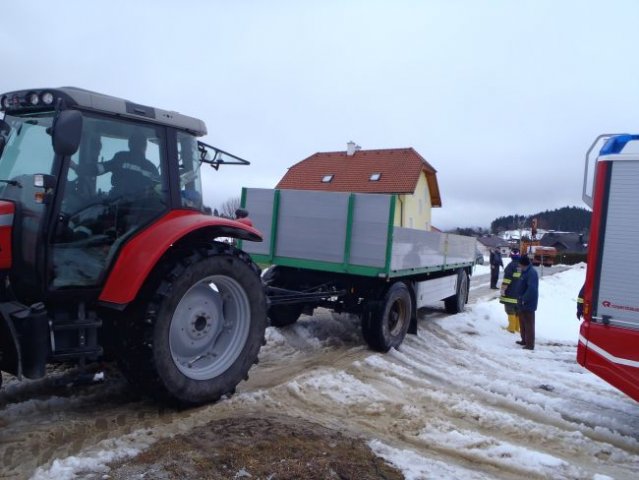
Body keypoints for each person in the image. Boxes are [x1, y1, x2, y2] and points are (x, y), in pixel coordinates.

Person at [517, 255, 539, 350]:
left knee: (529, 324)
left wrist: (524, 299)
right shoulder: (525, 271)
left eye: (520, 265)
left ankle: (530, 344)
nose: (519, 266)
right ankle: (524, 340)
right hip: (522, 301)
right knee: (522, 322)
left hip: (528, 303)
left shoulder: (531, 273)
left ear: (523, 264)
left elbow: (532, 289)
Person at [500, 248, 521, 334]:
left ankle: (511, 328)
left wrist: (503, 289)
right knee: (517, 311)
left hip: (510, 293)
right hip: (519, 293)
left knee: (510, 310)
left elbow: (507, 279)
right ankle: (517, 328)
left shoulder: (510, 266)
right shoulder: (521, 266)